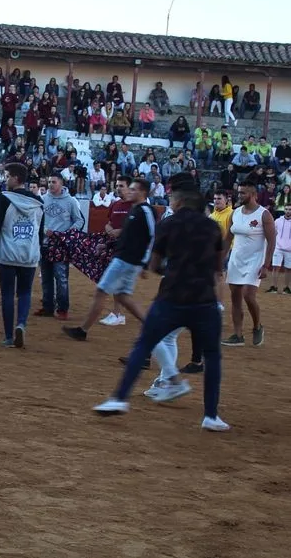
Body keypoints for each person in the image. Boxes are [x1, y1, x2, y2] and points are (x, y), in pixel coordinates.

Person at [93, 176, 231, 432]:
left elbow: (155, 265)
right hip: (204, 300)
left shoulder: (168, 224)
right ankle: (211, 415)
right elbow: (217, 267)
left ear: (179, 201)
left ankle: (119, 398)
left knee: (145, 342)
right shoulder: (213, 228)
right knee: (212, 357)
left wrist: (172, 266)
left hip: (172, 297)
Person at [62, 179, 155, 349]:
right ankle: (152, 325)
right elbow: (127, 236)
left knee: (102, 290)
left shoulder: (146, 210)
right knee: (123, 296)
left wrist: (144, 262)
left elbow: (152, 236)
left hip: (127, 260)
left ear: (142, 192)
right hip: (125, 257)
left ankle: (83, 330)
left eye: (133, 189)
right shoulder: (135, 209)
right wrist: (107, 245)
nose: (129, 192)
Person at [0, 162, 44, 348]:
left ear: (16, 178)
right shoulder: (38, 202)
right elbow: (40, 231)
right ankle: (21, 324)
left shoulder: (4, 198)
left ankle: (9, 336)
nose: (5, 180)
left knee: (7, 294)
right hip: (29, 254)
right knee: (25, 292)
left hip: (7, 253)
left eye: (7, 176)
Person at [222, 180, 277, 346]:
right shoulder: (235, 213)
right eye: (238, 192)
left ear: (253, 195)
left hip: (255, 260)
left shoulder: (264, 215)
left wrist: (266, 265)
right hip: (236, 260)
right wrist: (220, 259)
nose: (239, 195)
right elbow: (228, 238)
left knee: (248, 295)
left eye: (243, 193)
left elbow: (272, 241)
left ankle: (257, 326)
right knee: (235, 297)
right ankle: (238, 335)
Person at [37, 175, 84, 319]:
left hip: (61, 245)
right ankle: (48, 307)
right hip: (45, 243)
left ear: (61, 184)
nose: (51, 184)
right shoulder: (43, 199)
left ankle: (62, 309)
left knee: (61, 277)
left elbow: (79, 220)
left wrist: (67, 234)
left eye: (54, 182)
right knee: (46, 277)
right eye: (49, 182)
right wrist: (45, 230)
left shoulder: (70, 201)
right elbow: (37, 219)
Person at [99, 176, 132, 326]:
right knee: (117, 281)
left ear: (129, 188)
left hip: (127, 247)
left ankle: (118, 314)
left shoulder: (134, 206)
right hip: (114, 246)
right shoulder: (115, 204)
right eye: (117, 186)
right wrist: (109, 229)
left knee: (117, 281)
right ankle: (118, 313)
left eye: (121, 186)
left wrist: (121, 231)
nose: (118, 188)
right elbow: (109, 223)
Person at [209, 190, 233, 309]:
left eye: (219, 198)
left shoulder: (231, 214)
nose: (216, 201)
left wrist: (225, 251)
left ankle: (219, 303)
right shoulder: (212, 215)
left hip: (225, 250)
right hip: (213, 250)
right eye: (215, 199)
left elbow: (230, 235)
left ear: (226, 200)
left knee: (219, 275)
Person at [268, 204, 291, 294]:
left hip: (290, 250)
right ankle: (273, 287)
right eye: (286, 209)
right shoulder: (278, 221)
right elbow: (273, 233)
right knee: (275, 267)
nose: (288, 211)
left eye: (290, 209)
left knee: (288, 269)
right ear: (284, 210)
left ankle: (287, 288)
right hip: (278, 248)